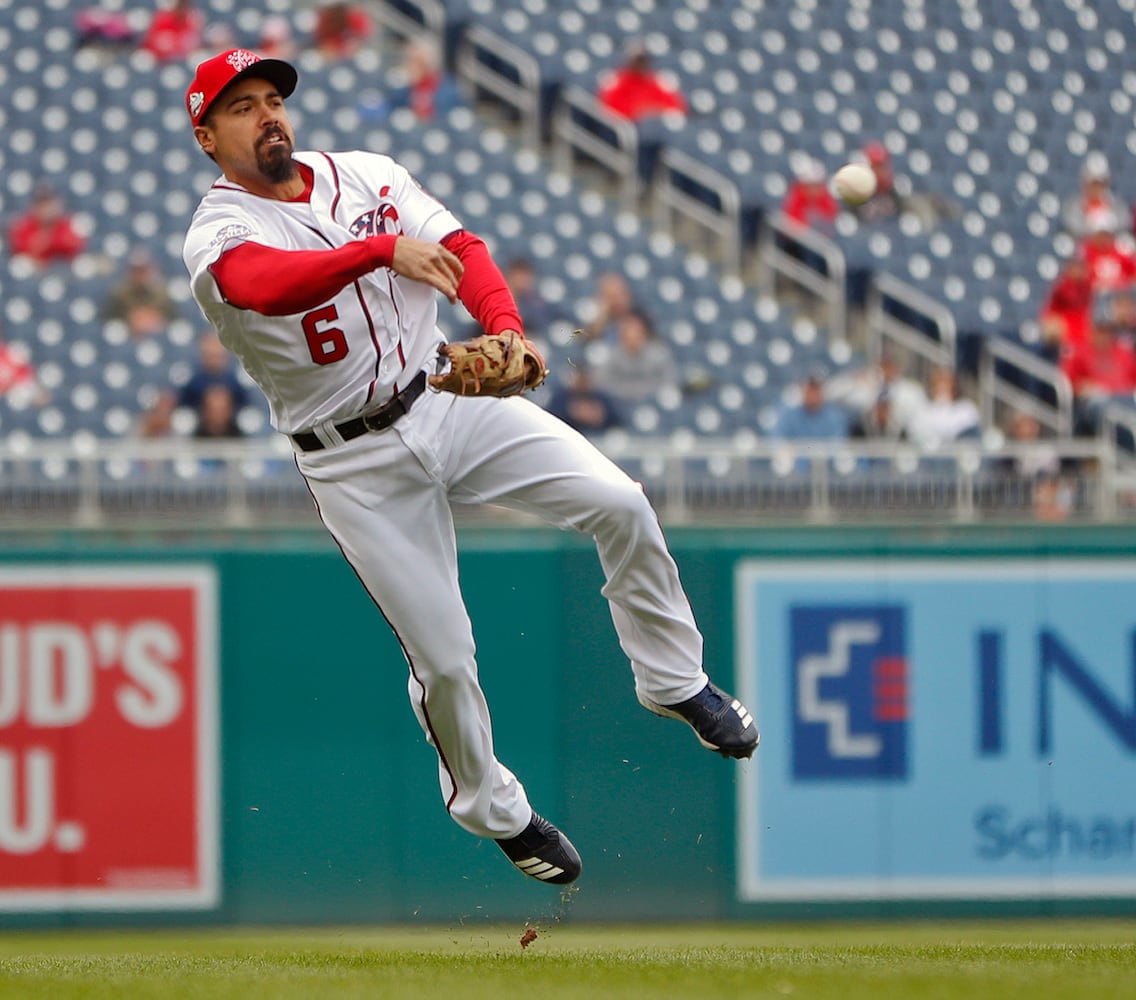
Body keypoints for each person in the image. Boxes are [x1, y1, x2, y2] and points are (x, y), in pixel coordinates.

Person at [181, 48, 758, 887]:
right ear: (207, 136)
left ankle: (674, 680)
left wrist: (507, 326)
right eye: (241, 107)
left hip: (447, 394)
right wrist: (379, 255)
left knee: (620, 501)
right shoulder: (218, 231)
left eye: (273, 98)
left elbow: (461, 246)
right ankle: (498, 810)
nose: (268, 114)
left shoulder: (368, 174)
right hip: (353, 463)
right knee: (446, 660)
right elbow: (264, 286)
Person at [358, 36, 463, 123]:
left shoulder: (447, 89)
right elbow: (387, 110)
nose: (411, 66)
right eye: (410, 61)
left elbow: (449, 116)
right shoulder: (401, 88)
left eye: (417, 62)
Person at [590, 309, 677, 407]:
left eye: (637, 332)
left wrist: (646, 392)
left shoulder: (658, 354)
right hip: (619, 404)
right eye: (628, 332)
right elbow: (603, 382)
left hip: (653, 404)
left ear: (644, 334)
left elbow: (669, 380)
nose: (633, 336)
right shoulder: (610, 356)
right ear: (621, 335)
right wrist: (629, 392)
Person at [596, 40, 687, 122]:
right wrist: (637, 112)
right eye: (638, 61)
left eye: (643, 61)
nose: (640, 64)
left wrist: (654, 111)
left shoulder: (655, 82)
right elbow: (607, 111)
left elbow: (677, 107)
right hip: (629, 129)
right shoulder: (618, 82)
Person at [102, 247, 181, 338]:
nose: (140, 276)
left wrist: (155, 319)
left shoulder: (162, 296)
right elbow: (108, 321)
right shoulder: (119, 295)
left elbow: (175, 321)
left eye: (143, 271)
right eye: (136, 271)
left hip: (157, 338)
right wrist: (131, 320)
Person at [7, 185, 86, 267]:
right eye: (42, 205)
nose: (46, 209)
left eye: (49, 204)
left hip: (64, 273)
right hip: (33, 274)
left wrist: (47, 241)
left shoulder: (69, 226)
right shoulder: (24, 226)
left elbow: (73, 248)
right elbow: (20, 249)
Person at [906, 366, 981, 448]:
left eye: (946, 384)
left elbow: (967, 432)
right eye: (938, 384)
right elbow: (919, 433)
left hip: (960, 453)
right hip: (933, 456)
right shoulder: (923, 410)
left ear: (954, 387)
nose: (942, 388)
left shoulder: (966, 407)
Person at [177, 329, 249, 413]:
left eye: (217, 356)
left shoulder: (234, 384)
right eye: (211, 356)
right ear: (203, 356)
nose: (214, 360)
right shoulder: (193, 383)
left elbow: (243, 409)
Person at [545, 364, 623, 436]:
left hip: (598, 438)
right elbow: (550, 418)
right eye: (580, 378)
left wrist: (600, 416)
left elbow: (617, 420)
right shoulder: (562, 397)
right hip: (569, 436)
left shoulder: (600, 397)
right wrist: (572, 413)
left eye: (586, 378)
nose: (583, 382)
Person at [1062, 152, 1125, 241]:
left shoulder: (1117, 207)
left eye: (1100, 183)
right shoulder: (1073, 207)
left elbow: (1122, 229)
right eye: (1093, 183)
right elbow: (1074, 231)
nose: (1096, 188)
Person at [781, 157, 839, 231]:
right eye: (811, 185)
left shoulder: (826, 200)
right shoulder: (796, 197)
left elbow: (830, 222)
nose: (814, 190)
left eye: (817, 185)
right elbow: (791, 225)